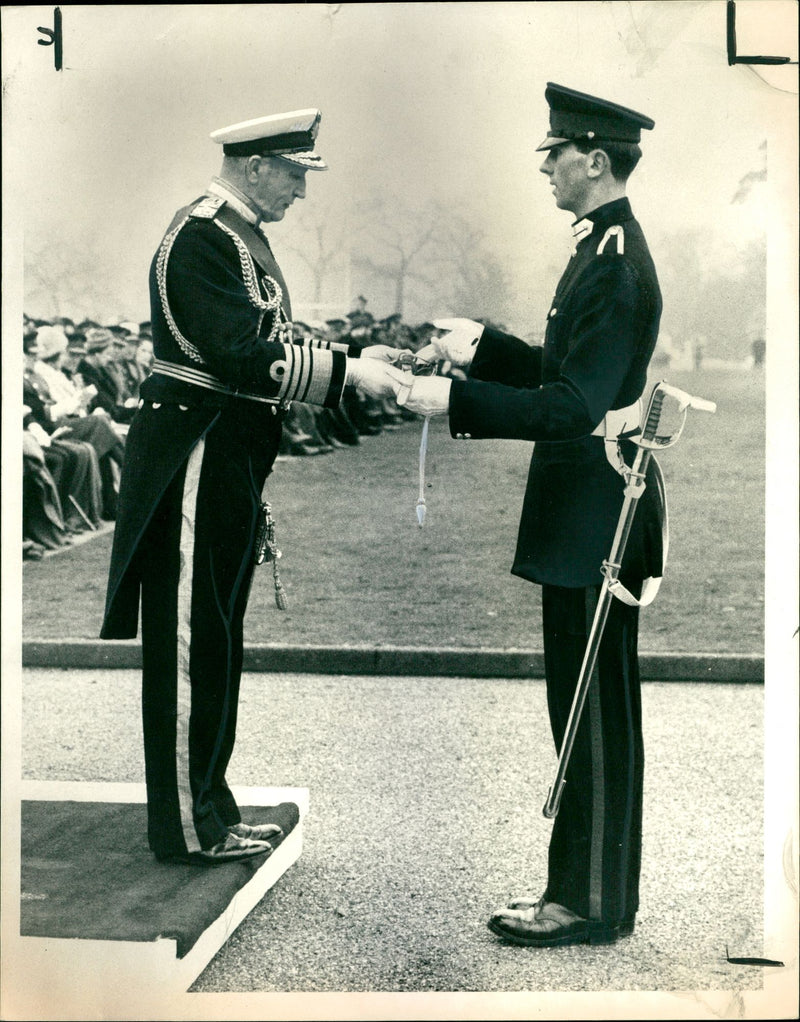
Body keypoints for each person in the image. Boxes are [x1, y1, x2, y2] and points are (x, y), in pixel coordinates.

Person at [389, 83, 665, 947]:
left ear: (595, 159)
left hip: (598, 507)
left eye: (556, 153)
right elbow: (563, 368)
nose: (545, 166)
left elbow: (574, 406)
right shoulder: (600, 249)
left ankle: (585, 902)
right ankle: (586, 892)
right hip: (585, 503)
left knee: (590, 708)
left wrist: (453, 397)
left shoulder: (614, 261)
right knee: (583, 708)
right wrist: (482, 344)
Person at [100, 108, 399, 865]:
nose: (302, 190)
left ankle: (211, 806)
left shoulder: (237, 234)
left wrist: (359, 354)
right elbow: (239, 353)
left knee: (217, 636)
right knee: (192, 644)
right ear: (259, 165)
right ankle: (189, 825)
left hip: (226, 454)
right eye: (296, 173)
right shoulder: (205, 235)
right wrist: (348, 375)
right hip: (195, 454)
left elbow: (266, 336)